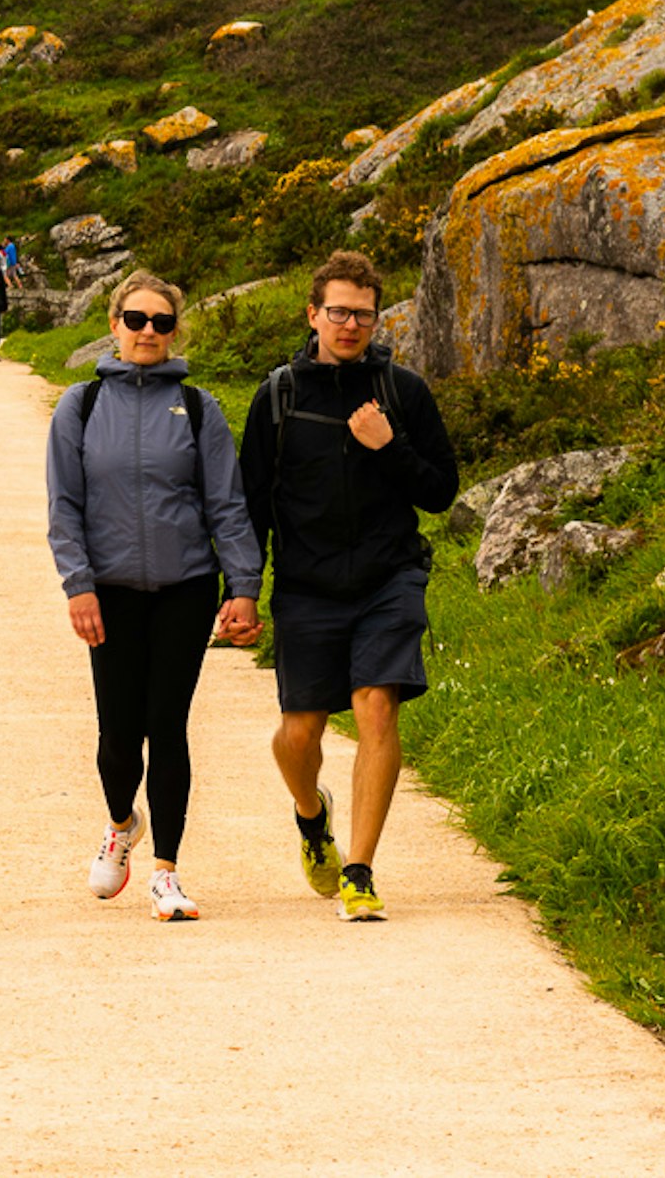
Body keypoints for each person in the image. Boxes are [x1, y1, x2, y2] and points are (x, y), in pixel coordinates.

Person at [241, 251, 458, 923]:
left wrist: (389, 443)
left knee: (375, 706)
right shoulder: (277, 395)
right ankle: (313, 816)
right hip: (306, 586)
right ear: (313, 313)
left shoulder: (402, 392)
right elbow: (249, 503)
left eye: (362, 313)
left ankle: (360, 870)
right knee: (297, 733)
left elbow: (441, 490)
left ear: (375, 317)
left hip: (389, 576)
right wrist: (242, 590)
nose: (350, 323)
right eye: (337, 310)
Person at [48, 273, 261, 922]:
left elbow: (228, 504)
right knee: (118, 736)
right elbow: (65, 507)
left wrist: (244, 587)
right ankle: (122, 824)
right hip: (109, 592)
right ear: (113, 324)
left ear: (174, 331)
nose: (147, 330)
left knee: (167, 726)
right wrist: (78, 583)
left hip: (185, 590)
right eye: (136, 318)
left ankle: (167, 873)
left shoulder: (199, 410)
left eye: (160, 321)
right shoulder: (79, 407)